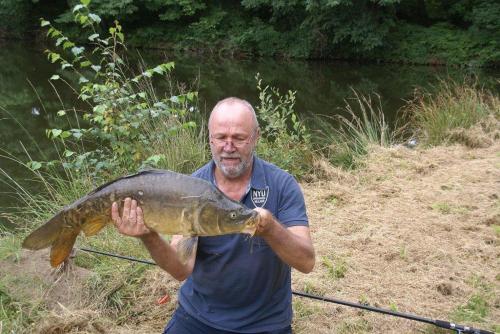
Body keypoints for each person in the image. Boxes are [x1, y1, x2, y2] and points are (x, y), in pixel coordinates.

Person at [111, 97, 315, 333]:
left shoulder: (281, 184)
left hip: (264, 325)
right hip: (199, 318)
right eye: (220, 138)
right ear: (210, 138)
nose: (228, 147)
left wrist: (271, 229)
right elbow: (180, 270)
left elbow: (306, 262)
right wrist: (148, 236)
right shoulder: (191, 189)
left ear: (256, 137)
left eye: (238, 137)